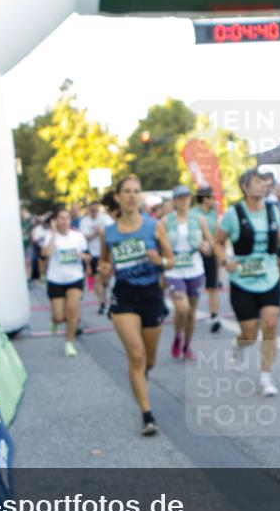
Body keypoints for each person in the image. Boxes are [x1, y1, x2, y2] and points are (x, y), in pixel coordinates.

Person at [98, 175, 174, 435]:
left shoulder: (154, 226)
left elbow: (171, 261)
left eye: (136, 191)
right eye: (127, 191)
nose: (132, 196)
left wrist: (160, 261)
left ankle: (142, 376)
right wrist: (104, 269)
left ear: (140, 197)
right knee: (137, 355)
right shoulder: (108, 232)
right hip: (124, 295)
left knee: (149, 359)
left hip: (151, 294)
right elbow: (104, 265)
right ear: (118, 197)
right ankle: (147, 415)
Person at [215, 169, 280, 397]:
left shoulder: (273, 210)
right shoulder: (233, 213)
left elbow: (278, 233)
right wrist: (224, 260)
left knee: (270, 323)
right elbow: (218, 241)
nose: (264, 185)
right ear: (245, 187)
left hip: (269, 275)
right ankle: (238, 346)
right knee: (249, 334)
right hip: (242, 279)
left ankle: (265, 377)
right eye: (258, 181)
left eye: (265, 182)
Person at [164, 185, 213, 361]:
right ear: (174, 201)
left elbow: (210, 242)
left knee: (191, 313)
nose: (183, 200)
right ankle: (177, 335)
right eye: (179, 197)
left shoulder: (199, 219)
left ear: (190, 199)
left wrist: (207, 247)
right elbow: (159, 244)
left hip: (195, 269)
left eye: (186, 197)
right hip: (174, 270)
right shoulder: (166, 221)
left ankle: (186, 345)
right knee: (182, 308)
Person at [41, 208, 91, 358]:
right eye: (61, 218)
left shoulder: (78, 236)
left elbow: (88, 256)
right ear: (56, 221)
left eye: (67, 218)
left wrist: (81, 256)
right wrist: (54, 234)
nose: (64, 221)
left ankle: (69, 343)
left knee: (72, 311)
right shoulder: (50, 236)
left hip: (75, 278)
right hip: (55, 279)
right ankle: (55, 321)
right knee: (59, 316)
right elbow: (46, 255)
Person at [191, 186, 222, 332]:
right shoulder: (192, 213)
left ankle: (214, 316)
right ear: (204, 198)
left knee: (213, 286)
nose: (214, 200)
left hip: (211, 251)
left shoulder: (213, 212)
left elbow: (215, 233)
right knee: (193, 288)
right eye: (212, 197)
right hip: (196, 252)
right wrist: (201, 245)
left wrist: (214, 247)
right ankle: (189, 314)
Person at [79, 200, 114, 315]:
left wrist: (103, 233)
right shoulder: (84, 221)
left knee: (105, 279)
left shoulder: (105, 218)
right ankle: (102, 303)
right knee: (97, 279)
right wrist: (96, 233)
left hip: (105, 253)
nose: (94, 212)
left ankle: (109, 299)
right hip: (93, 254)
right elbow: (85, 238)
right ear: (88, 209)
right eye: (92, 210)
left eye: (96, 210)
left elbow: (113, 231)